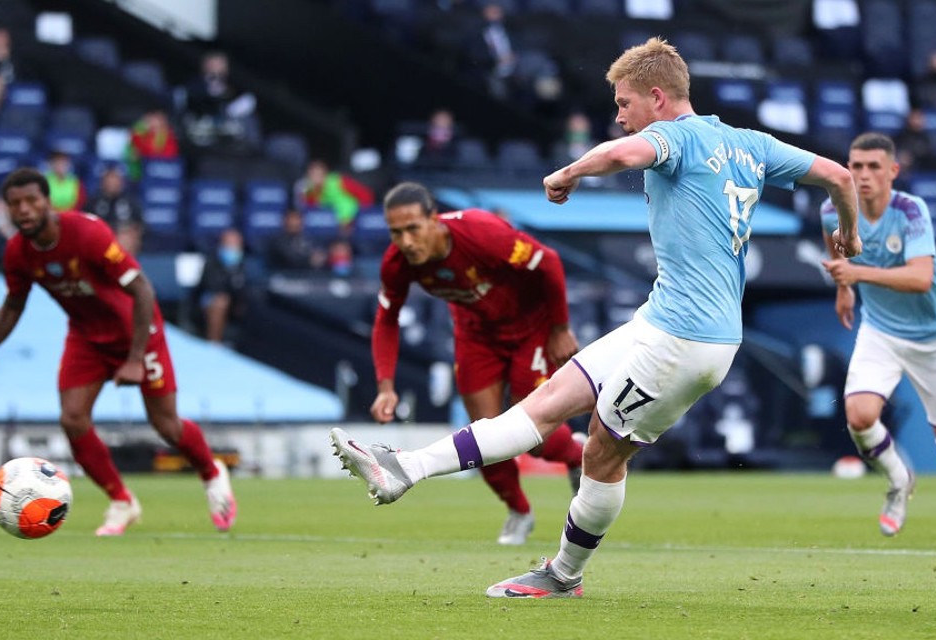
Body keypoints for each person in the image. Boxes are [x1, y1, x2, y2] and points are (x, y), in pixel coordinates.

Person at [332, 37, 861, 597]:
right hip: (660, 320)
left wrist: (568, 173)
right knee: (546, 403)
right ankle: (405, 468)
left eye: (623, 103)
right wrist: (848, 233)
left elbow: (619, 155)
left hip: (687, 341)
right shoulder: (748, 143)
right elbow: (840, 178)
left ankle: (563, 575)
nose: (618, 116)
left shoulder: (672, 136)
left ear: (657, 97)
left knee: (603, 452)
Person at [0, 168, 237, 536]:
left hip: (138, 332)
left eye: (31, 201)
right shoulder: (18, 253)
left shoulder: (88, 234)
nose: (23, 210)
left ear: (47, 202)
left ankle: (213, 475)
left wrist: (135, 359)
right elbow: (12, 306)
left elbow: (143, 292)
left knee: (165, 425)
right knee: (72, 419)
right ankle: (121, 501)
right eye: (15, 204)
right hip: (86, 337)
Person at [366, 181, 586, 545]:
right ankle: (518, 511)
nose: (405, 241)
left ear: (434, 220)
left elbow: (548, 261)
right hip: (476, 335)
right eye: (396, 232)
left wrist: (560, 328)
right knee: (484, 433)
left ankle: (577, 453)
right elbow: (386, 320)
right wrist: (385, 385)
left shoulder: (481, 233)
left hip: (530, 327)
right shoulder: (396, 262)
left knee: (533, 436)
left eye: (412, 229)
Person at [820, 132, 936, 547]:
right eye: (856, 166)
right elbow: (834, 245)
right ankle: (899, 478)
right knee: (858, 415)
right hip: (881, 330)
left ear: (893, 171)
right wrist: (844, 289)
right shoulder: (832, 208)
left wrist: (857, 277)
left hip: (933, 336)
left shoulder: (911, 211)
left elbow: (921, 277)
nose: (863, 175)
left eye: (874, 166)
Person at [198, 228, 248, 345]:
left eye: (236, 244)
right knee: (221, 301)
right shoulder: (211, 261)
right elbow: (211, 286)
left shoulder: (241, 263)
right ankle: (214, 344)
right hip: (208, 299)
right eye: (229, 244)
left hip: (235, 301)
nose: (233, 248)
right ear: (222, 245)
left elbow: (244, 287)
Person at [295, 159, 375, 227]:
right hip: (329, 226)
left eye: (319, 174)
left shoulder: (340, 181)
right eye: (312, 175)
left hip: (352, 223)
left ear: (325, 174)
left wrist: (360, 215)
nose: (316, 178)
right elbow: (309, 207)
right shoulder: (309, 190)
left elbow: (366, 194)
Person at [88, 165, 144, 256]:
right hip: (100, 241)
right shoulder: (93, 202)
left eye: (115, 179)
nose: (112, 183)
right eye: (109, 179)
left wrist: (130, 235)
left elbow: (140, 225)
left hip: (124, 243)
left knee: (126, 237)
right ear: (103, 182)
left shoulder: (130, 201)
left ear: (121, 182)